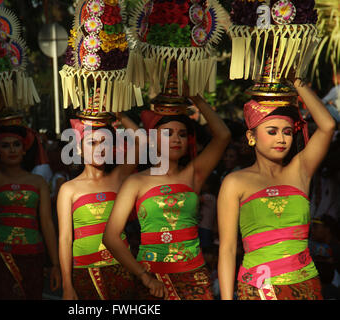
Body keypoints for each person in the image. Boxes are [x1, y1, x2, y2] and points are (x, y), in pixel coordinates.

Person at [217, 78, 336, 300]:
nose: (281, 139)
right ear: (251, 137)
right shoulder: (235, 182)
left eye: (287, 132)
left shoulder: (300, 170)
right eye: (272, 131)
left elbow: (327, 125)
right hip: (258, 289)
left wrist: (297, 82)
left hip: (306, 286)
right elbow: (228, 249)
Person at [103, 93, 231, 300]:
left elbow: (223, 136)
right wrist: (144, 276)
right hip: (153, 281)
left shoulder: (194, 175)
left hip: (194, 278)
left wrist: (196, 98)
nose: (176, 139)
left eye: (181, 134)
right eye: (167, 133)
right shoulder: (136, 183)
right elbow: (110, 236)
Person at [0, 112, 60, 299]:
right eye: (5, 146)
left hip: (33, 255)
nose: (12, 150)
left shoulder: (38, 182)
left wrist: (55, 264)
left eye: (16, 144)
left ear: (24, 149)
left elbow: (46, 223)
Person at [57, 111, 140, 300]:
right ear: (78, 149)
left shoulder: (118, 177)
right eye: (92, 143)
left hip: (122, 268)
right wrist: (67, 286)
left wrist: (119, 115)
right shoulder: (68, 189)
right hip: (85, 273)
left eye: (105, 143)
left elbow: (141, 142)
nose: (100, 148)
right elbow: (65, 239)